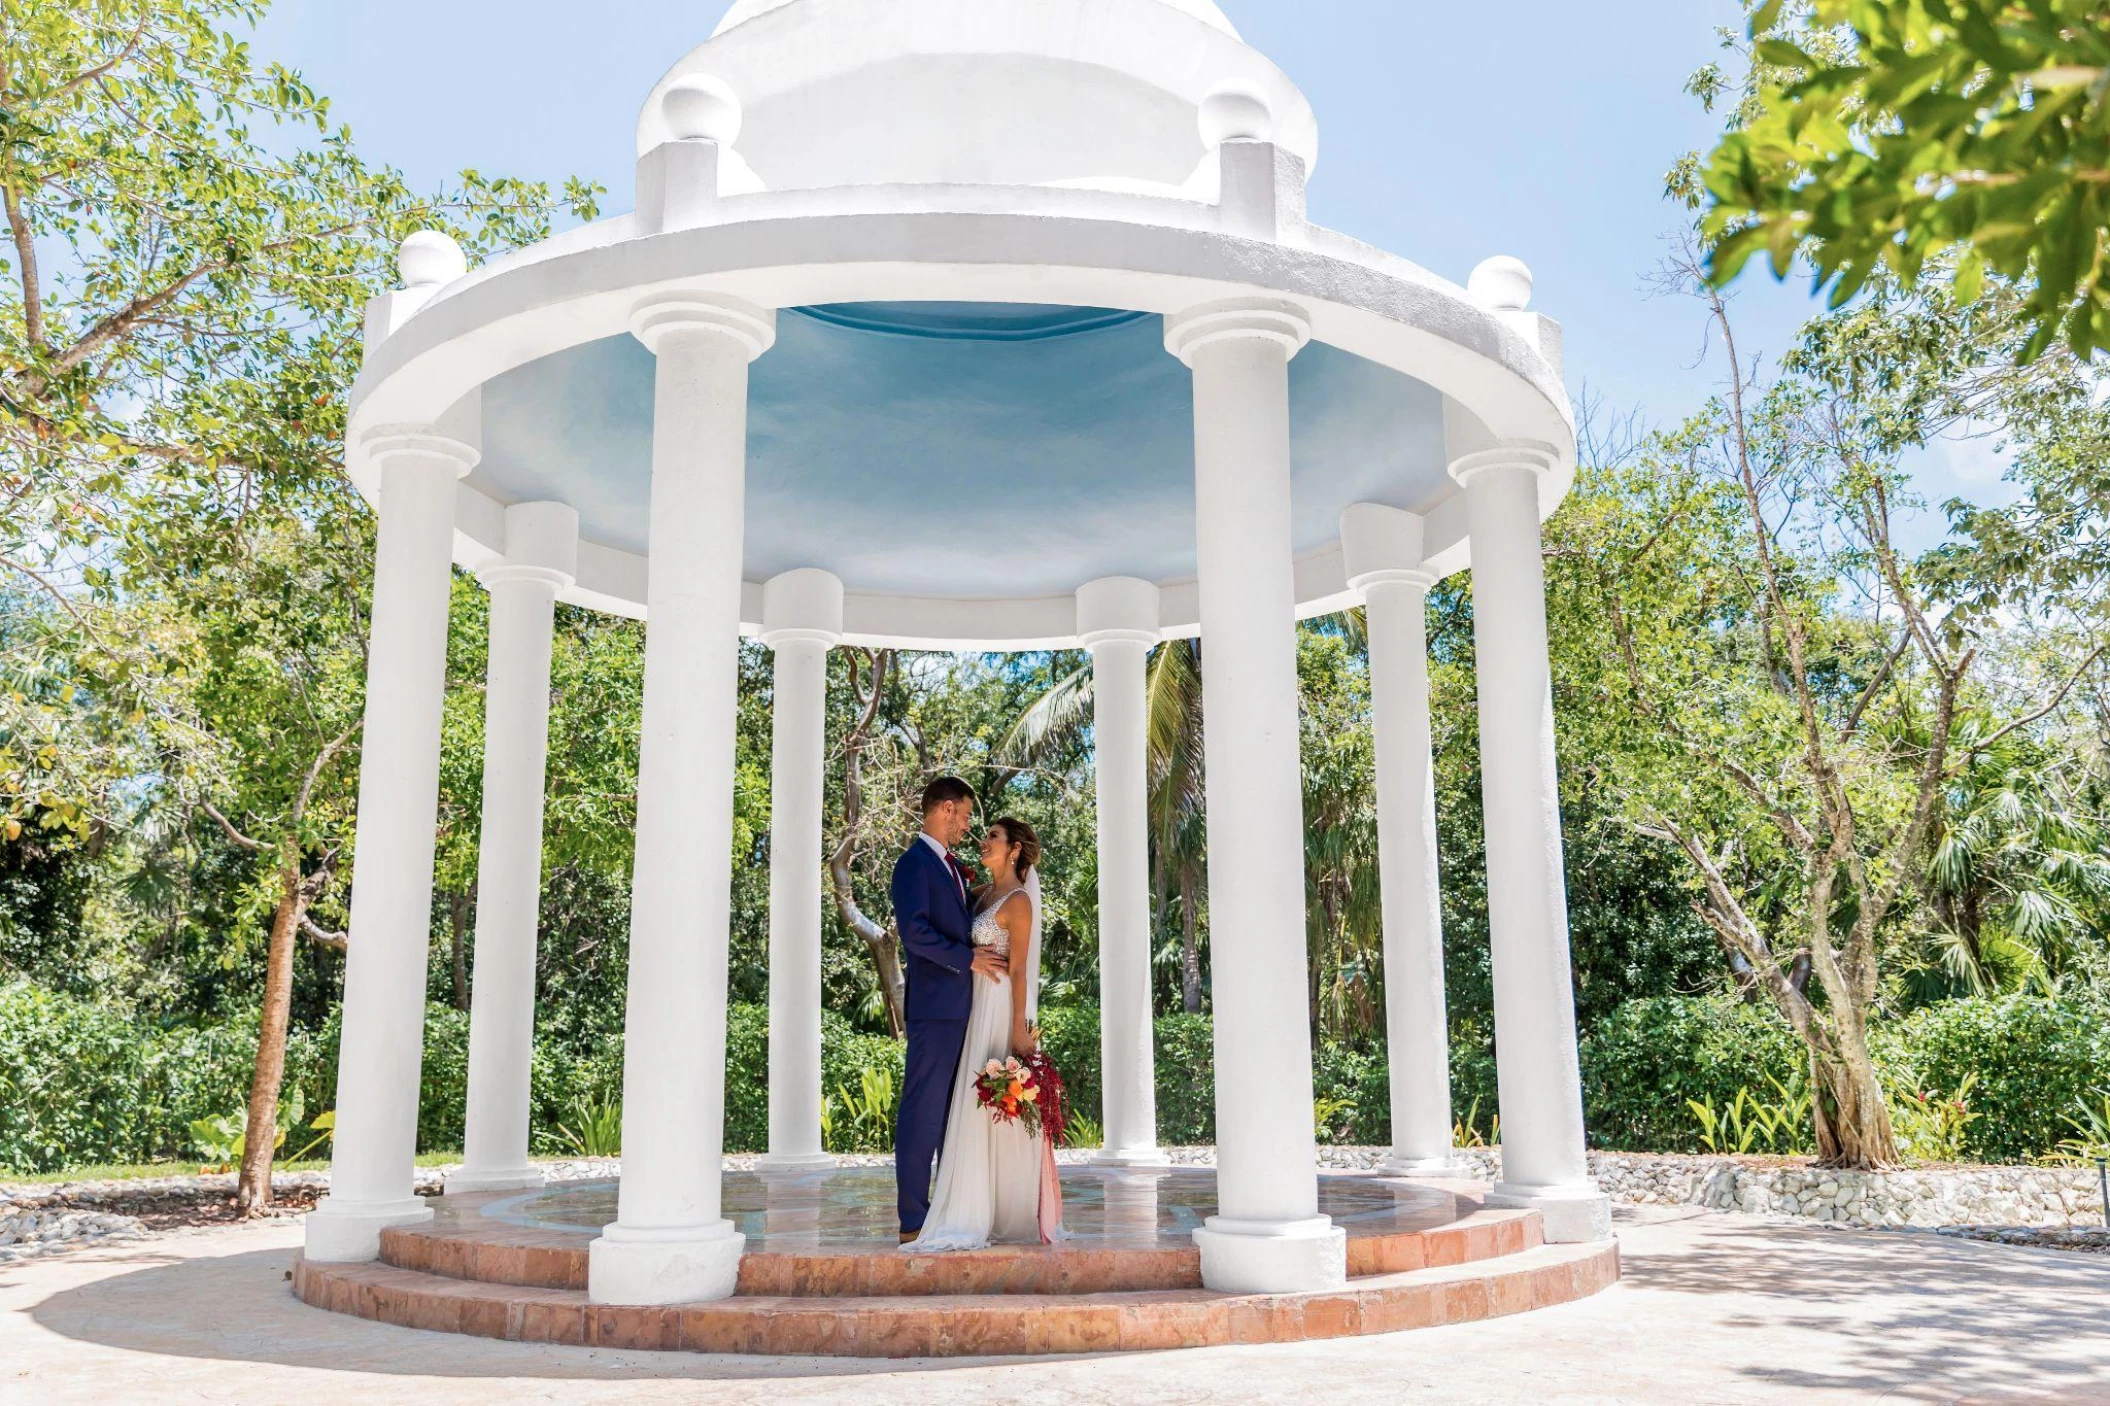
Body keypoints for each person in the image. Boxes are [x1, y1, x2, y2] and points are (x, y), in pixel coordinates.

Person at [904, 814, 1060, 1251]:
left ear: (1013, 849)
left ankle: (999, 1208)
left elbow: (1021, 972)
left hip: (998, 1008)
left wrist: (1017, 1030)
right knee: (967, 1104)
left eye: (993, 835)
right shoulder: (978, 895)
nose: (983, 839)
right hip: (971, 1006)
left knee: (992, 1101)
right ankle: (968, 1200)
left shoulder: (1018, 902)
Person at [889, 776, 1007, 1242]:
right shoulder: (913, 864)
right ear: (945, 809)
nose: (967, 827)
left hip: (963, 1010)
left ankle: (941, 1210)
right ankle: (911, 1221)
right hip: (936, 1010)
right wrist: (968, 958)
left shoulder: (950, 868)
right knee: (922, 1112)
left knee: (948, 1116)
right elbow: (914, 933)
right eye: (964, 815)